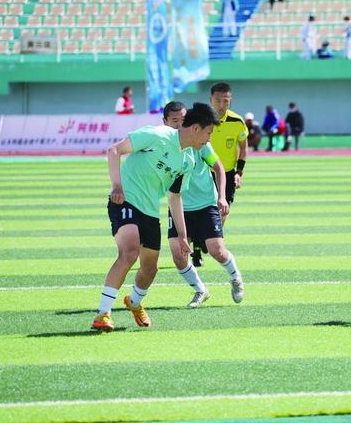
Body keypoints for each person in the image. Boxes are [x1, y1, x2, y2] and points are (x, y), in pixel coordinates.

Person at [91, 102, 219, 332]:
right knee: (129, 252)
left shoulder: (188, 161)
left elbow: (175, 197)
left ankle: (135, 302)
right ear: (196, 128)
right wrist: (117, 187)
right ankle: (103, 313)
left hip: (150, 211)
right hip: (126, 199)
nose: (209, 139)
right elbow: (114, 151)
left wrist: (182, 235)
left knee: (150, 269)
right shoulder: (157, 135)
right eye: (209, 132)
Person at [162, 102, 244, 308]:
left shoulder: (200, 143)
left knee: (217, 250)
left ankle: (235, 278)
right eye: (175, 121)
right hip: (179, 205)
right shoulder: (164, 145)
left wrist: (222, 197)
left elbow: (218, 168)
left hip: (205, 203)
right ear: (165, 122)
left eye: (183, 120)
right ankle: (200, 290)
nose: (180, 124)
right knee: (178, 256)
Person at [205, 82, 249, 264]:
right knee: (200, 209)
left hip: (228, 173)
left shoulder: (237, 122)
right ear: (211, 100)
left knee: (223, 210)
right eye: (218, 101)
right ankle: (203, 243)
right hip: (203, 172)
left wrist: (239, 172)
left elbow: (243, 148)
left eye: (226, 101)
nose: (221, 105)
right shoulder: (202, 121)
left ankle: (213, 239)